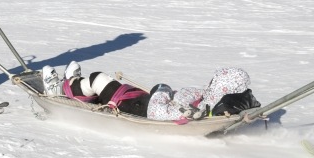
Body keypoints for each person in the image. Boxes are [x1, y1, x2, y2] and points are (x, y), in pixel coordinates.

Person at [42, 63, 261, 121]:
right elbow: (184, 96)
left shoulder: (202, 110)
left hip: (138, 108)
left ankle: (58, 89)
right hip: (143, 101)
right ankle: (73, 82)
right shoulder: (215, 102)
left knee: (99, 79)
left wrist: (162, 90)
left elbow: (158, 113)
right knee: (100, 81)